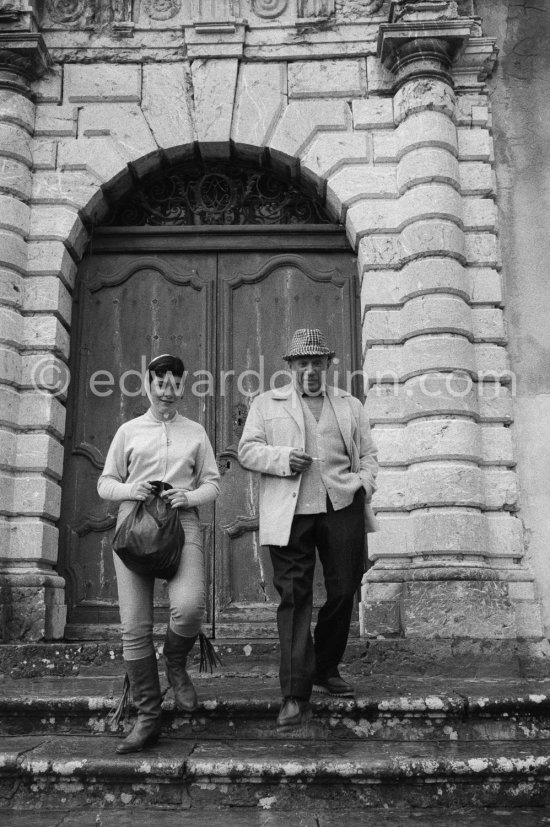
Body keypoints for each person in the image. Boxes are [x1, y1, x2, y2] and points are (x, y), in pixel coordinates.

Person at [238, 329, 378, 729]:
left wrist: (364, 483)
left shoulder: (350, 405)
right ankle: (295, 695)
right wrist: (282, 458)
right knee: (295, 598)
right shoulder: (266, 404)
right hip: (291, 512)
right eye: (303, 364)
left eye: (318, 363)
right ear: (291, 367)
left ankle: (325, 667)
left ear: (329, 365)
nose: (311, 370)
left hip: (342, 506)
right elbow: (247, 450)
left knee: (344, 589)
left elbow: (368, 454)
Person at [98, 353, 220, 753]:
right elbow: (105, 482)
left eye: (175, 383)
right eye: (160, 382)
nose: (168, 390)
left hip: (180, 522)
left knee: (188, 607)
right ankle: (148, 717)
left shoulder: (196, 432)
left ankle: (176, 663)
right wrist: (129, 490)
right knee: (134, 626)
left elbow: (213, 485)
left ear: (183, 387)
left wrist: (190, 495)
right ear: (147, 385)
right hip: (133, 525)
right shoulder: (129, 431)